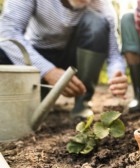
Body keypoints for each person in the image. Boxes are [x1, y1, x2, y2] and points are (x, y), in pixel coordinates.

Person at [0, 0, 128, 119]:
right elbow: (8, 32)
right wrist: (47, 71)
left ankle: (82, 102)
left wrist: (117, 74)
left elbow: (114, 55)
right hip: (37, 56)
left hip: (73, 59)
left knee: (97, 23)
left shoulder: (102, 5)